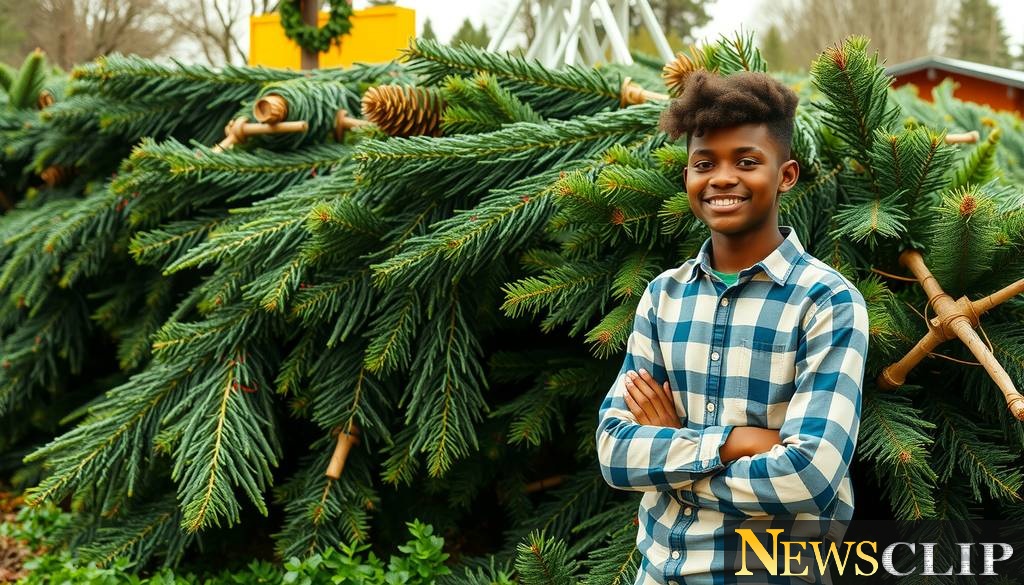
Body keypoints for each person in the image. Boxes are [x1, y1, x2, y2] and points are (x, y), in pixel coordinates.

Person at [594, 69, 870, 585]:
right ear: (687, 179)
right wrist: (737, 443)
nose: (722, 178)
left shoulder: (827, 302)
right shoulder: (663, 297)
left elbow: (809, 476)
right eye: (704, 164)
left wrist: (674, 456)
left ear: (785, 175)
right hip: (656, 573)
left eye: (746, 161)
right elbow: (614, 452)